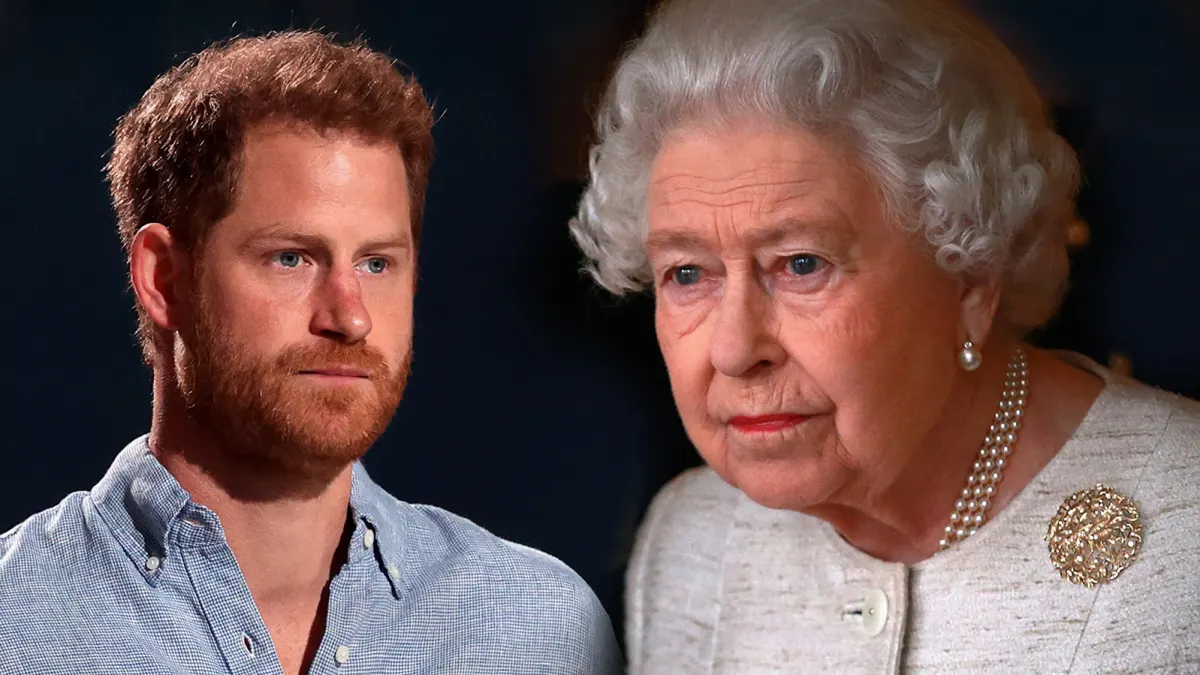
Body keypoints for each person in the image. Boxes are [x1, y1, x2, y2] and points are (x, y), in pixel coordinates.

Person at [569, 0, 1200, 672]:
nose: (732, 349)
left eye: (802, 263)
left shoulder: (1184, 530)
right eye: (687, 272)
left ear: (970, 276)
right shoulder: (693, 538)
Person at [0, 31, 619, 675]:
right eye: (291, 258)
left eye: (377, 263)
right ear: (163, 279)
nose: (350, 316)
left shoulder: (541, 628)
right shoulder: (15, 623)